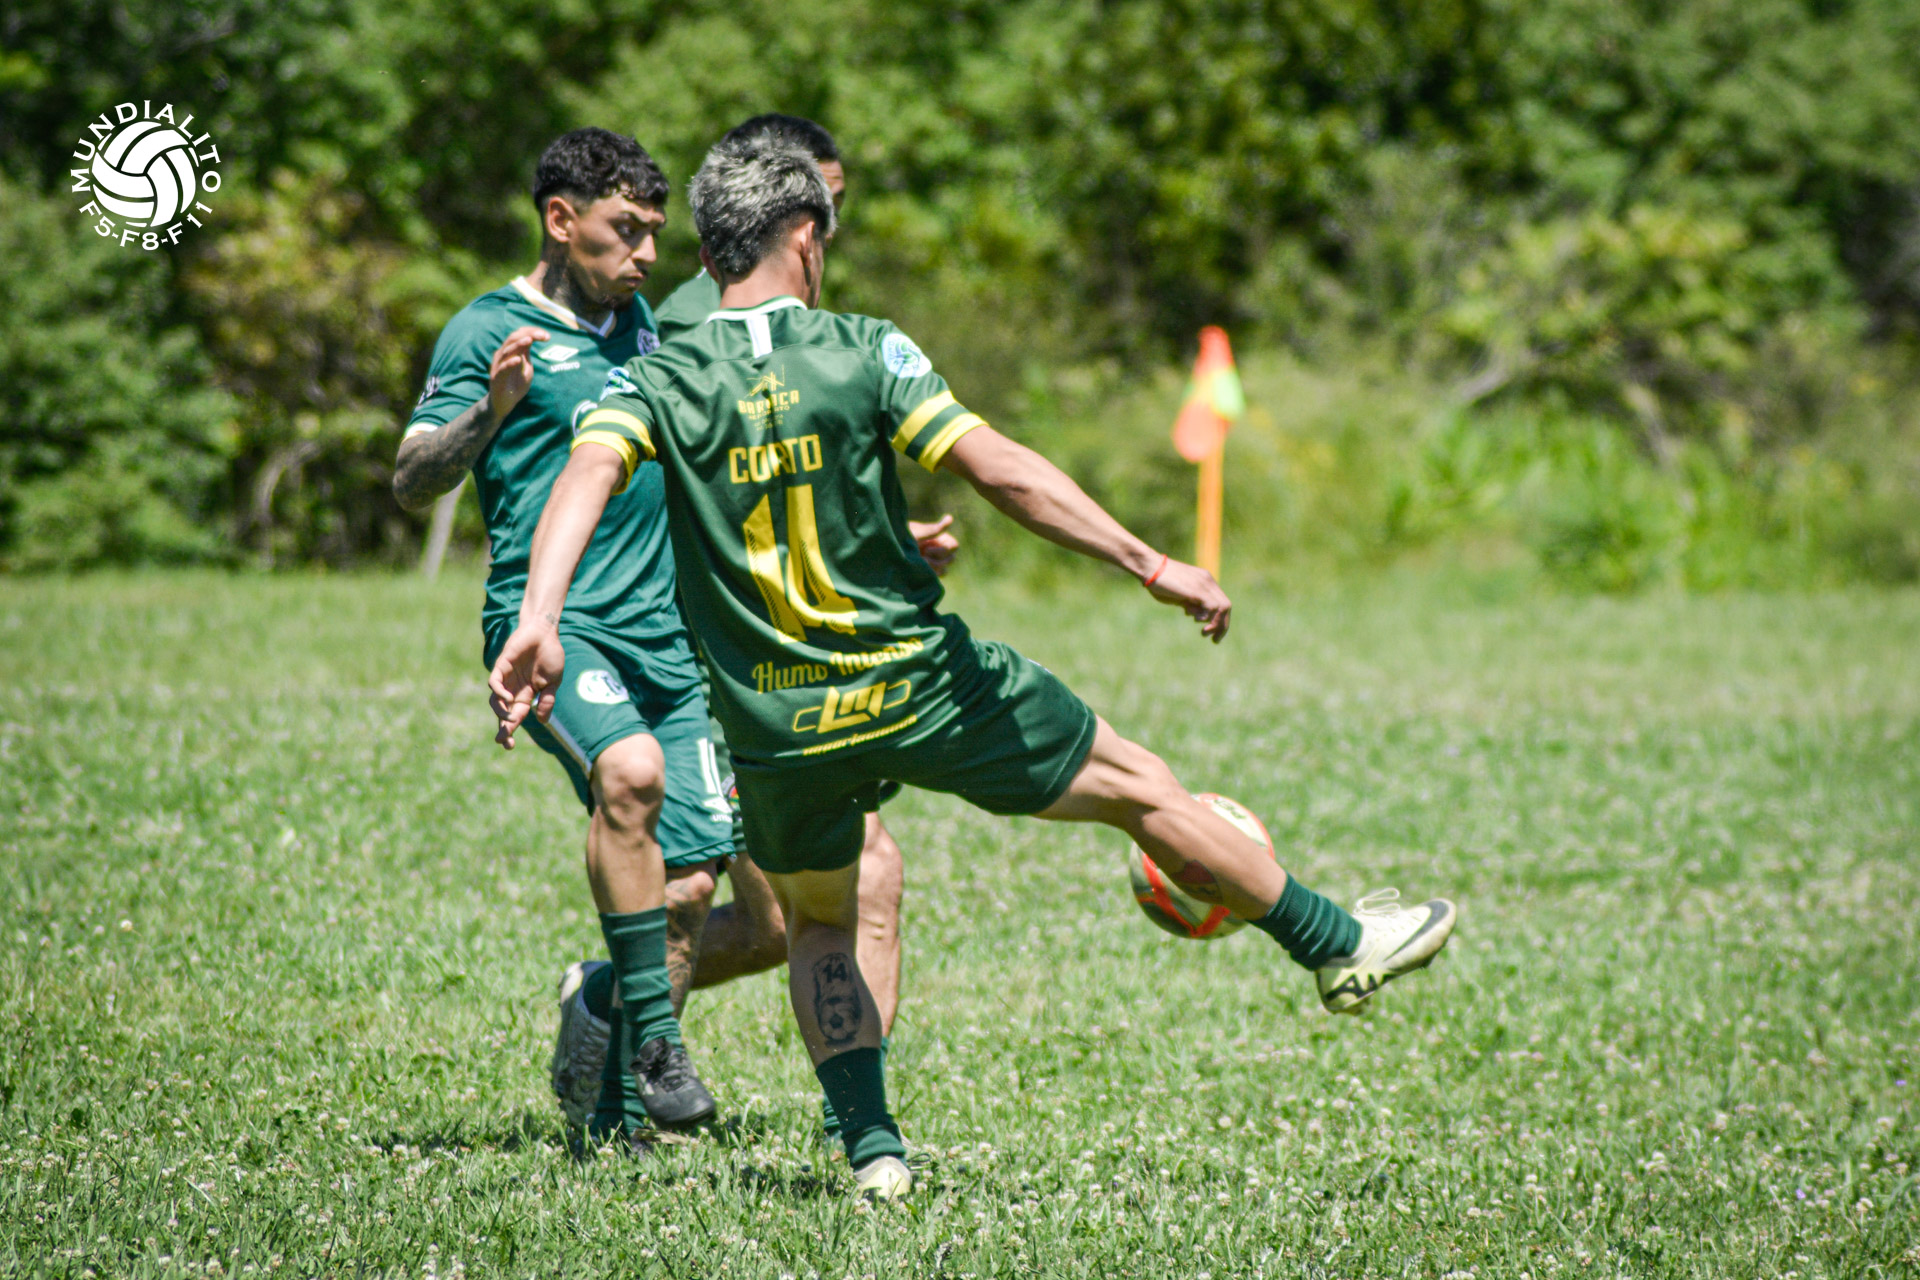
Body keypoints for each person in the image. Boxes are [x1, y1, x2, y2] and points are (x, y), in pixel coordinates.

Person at [489, 139, 1458, 1199]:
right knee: (1139, 786)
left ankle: (873, 1151)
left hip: (774, 724)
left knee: (820, 916)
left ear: (712, 247)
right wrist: (1149, 560)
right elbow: (999, 469)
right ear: (804, 237)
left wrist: (538, 619)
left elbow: (586, 473)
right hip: (919, 685)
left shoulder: (657, 375)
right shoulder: (862, 347)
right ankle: (1334, 941)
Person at [392, 127, 953, 1148]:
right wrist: (491, 412)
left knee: (697, 886)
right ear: (560, 220)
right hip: (557, 628)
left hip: (669, 635)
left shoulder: (649, 329)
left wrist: (864, 530)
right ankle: (656, 1047)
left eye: (655, 230)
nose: (647, 253)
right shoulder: (487, 329)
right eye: (625, 230)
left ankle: (610, 1057)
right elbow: (412, 475)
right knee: (633, 774)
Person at [552, 114, 949, 1152]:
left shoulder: (788, 326)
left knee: (780, 922)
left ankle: (612, 999)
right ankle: (845, 1127)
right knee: (833, 875)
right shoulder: (692, 325)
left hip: (772, 649)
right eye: (823, 206)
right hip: (721, 659)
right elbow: (694, 481)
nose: (829, 231)